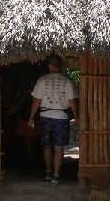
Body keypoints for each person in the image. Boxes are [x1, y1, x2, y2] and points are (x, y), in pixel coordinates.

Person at [28, 54, 78, 184]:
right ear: (60, 65)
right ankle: (56, 174)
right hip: (61, 117)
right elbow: (72, 101)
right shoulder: (67, 81)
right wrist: (77, 117)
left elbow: (36, 101)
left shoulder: (42, 80)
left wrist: (32, 116)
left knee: (46, 146)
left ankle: (48, 172)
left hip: (45, 116)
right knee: (59, 147)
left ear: (49, 65)